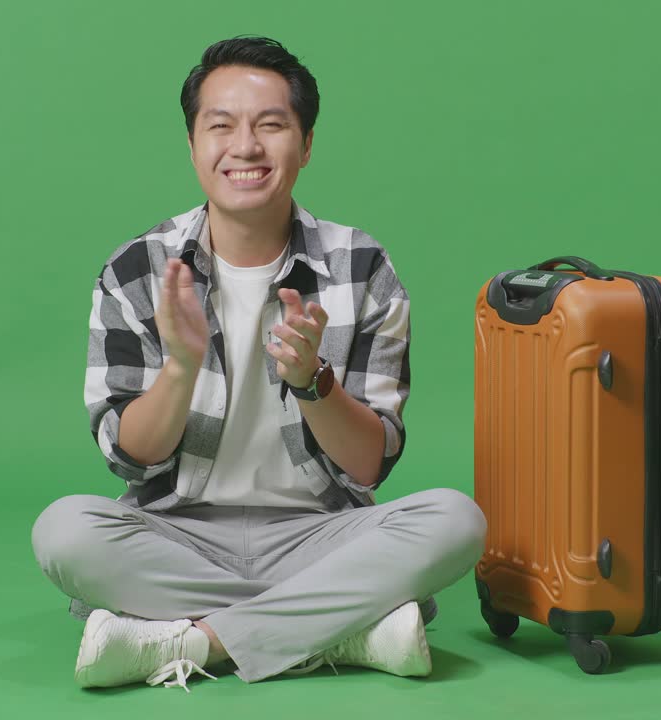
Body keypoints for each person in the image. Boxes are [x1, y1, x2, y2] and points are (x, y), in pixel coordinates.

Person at [31, 36, 487, 691]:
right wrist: (180, 369)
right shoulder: (138, 268)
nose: (245, 146)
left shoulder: (361, 267)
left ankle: (193, 642)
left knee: (456, 521)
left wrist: (313, 382)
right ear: (192, 146)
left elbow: (369, 463)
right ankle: (346, 627)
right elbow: (129, 458)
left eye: (271, 125)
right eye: (221, 126)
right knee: (64, 532)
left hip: (320, 535)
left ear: (304, 146)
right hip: (176, 533)